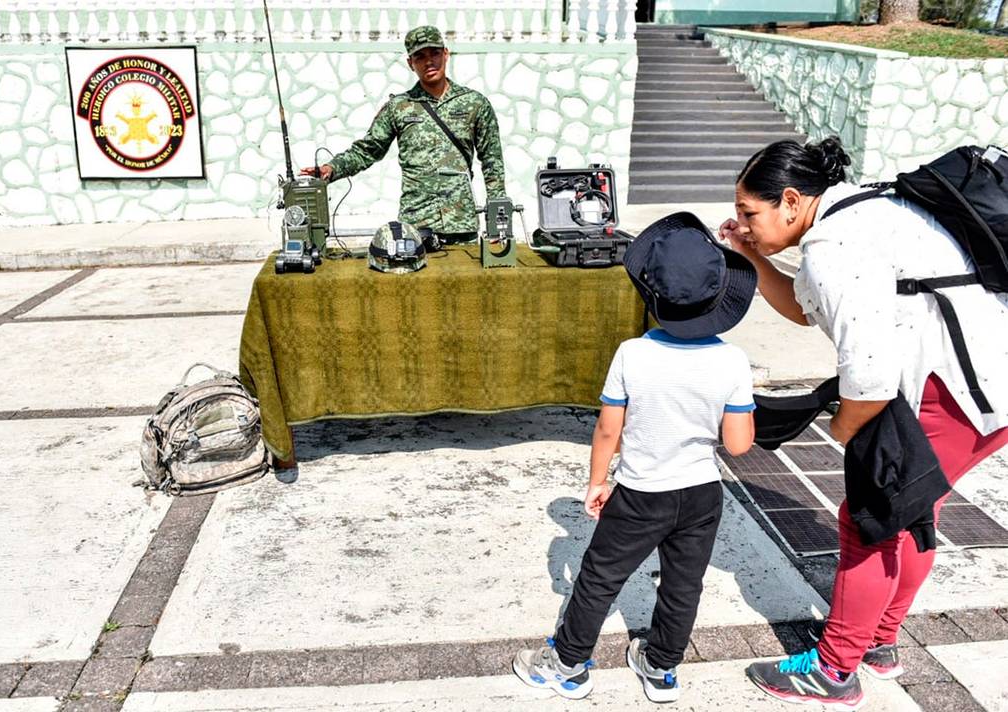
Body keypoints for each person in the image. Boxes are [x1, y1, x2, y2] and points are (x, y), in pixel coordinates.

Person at [728, 137, 1008, 710]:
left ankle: (834, 670)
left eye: (749, 213)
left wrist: (845, 432)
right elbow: (805, 310)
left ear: (788, 200)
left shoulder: (835, 245)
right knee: (914, 513)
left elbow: (870, 377)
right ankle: (878, 642)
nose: (742, 222)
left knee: (869, 520)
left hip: (952, 393)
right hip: (985, 382)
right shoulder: (861, 207)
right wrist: (754, 256)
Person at [512, 212, 757, 702]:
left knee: (601, 577)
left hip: (642, 491)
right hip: (702, 494)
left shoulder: (633, 353)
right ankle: (662, 667)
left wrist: (597, 481)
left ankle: (568, 663)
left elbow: (608, 428)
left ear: (653, 293)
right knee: (684, 584)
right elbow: (737, 444)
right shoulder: (731, 360)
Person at [299, 25, 507, 245]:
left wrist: (498, 223)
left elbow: (492, 162)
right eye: (420, 56)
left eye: (435, 53)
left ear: (446, 54)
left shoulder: (475, 103)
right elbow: (367, 150)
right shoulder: (398, 107)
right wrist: (331, 169)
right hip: (415, 227)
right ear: (410, 64)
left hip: (461, 226)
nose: (429, 62)